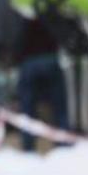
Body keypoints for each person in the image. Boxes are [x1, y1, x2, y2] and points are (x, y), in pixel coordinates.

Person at [14, 20, 69, 152]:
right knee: (59, 107)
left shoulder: (22, 17)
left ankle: (28, 145)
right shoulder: (54, 14)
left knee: (27, 107)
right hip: (50, 58)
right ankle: (63, 142)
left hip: (29, 60)